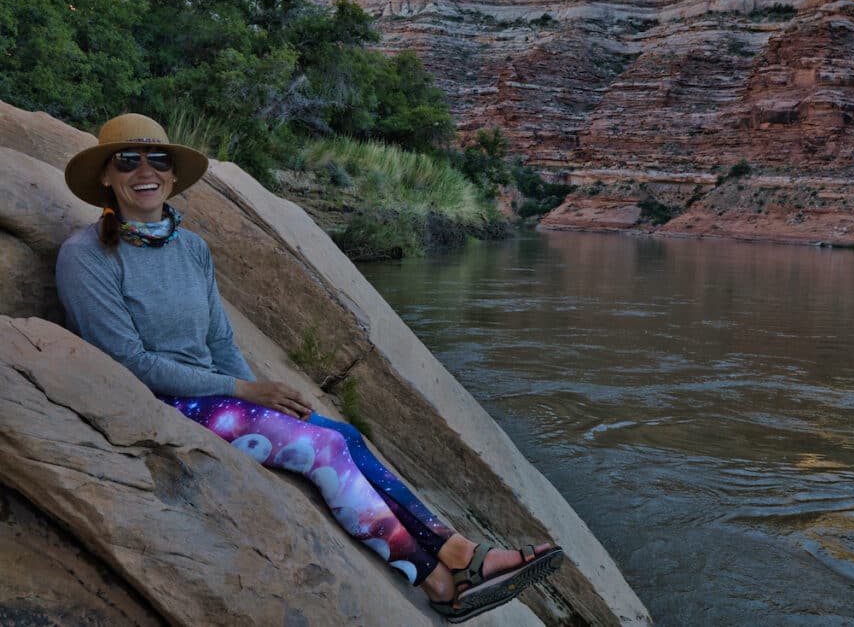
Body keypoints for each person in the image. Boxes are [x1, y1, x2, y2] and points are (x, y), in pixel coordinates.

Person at [55, 114, 562, 623]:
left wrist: (262, 392)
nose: (145, 171)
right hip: (166, 402)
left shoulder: (191, 248)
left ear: (171, 174)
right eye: (128, 160)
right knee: (324, 449)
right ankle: (434, 580)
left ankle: (460, 553)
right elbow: (130, 363)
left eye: (158, 160)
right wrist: (242, 389)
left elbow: (218, 339)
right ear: (106, 175)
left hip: (215, 396)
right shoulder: (87, 256)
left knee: (347, 436)